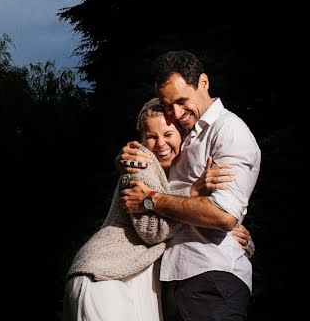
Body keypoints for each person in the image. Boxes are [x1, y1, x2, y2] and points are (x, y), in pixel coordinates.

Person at [64, 98, 252, 321]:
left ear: (182, 134)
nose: (160, 143)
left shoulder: (180, 175)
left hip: (132, 282)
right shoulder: (140, 165)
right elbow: (152, 231)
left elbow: (201, 216)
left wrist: (242, 237)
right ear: (141, 141)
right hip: (107, 276)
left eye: (168, 134)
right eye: (152, 137)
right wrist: (194, 193)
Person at [120, 51, 261, 321]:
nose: (176, 113)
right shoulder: (187, 135)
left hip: (211, 277)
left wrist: (151, 200)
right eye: (168, 104)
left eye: (182, 101)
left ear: (204, 83)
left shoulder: (229, 131)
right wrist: (123, 158)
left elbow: (222, 215)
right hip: (173, 282)